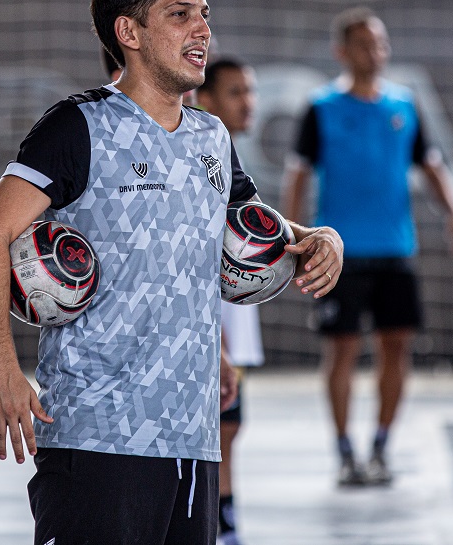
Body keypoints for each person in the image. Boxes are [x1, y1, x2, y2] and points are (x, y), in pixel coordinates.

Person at [0, 0, 344, 545]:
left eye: (205, 14)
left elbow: (252, 220)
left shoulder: (211, 137)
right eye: (180, 13)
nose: (202, 30)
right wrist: (1, 362)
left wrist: (316, 238)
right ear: (129, 32)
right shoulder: (80, 125)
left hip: (194, 440)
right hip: (96, 439)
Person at [281, 6, 453, 488]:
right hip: (339, 253)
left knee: (397, 347)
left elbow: (430, 163)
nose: (376, 52)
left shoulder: (403, 106)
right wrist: (291, 234)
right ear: (341, 51)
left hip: (394, 249)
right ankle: (345, 451)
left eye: (381, 43)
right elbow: (298, 174)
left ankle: (382, 445)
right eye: (365, 44)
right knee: (342, 351)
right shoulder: (321, 108)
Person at [195, 58, 263, 545]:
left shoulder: (223, 154)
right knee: (218, 429)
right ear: (206, 98)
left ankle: (226, 521)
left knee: (229, 427)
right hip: (203, 332)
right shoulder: (197, 156)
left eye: (251, 91)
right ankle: (216, 524)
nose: (249, 102)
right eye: (236, 91)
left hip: (226, 335)